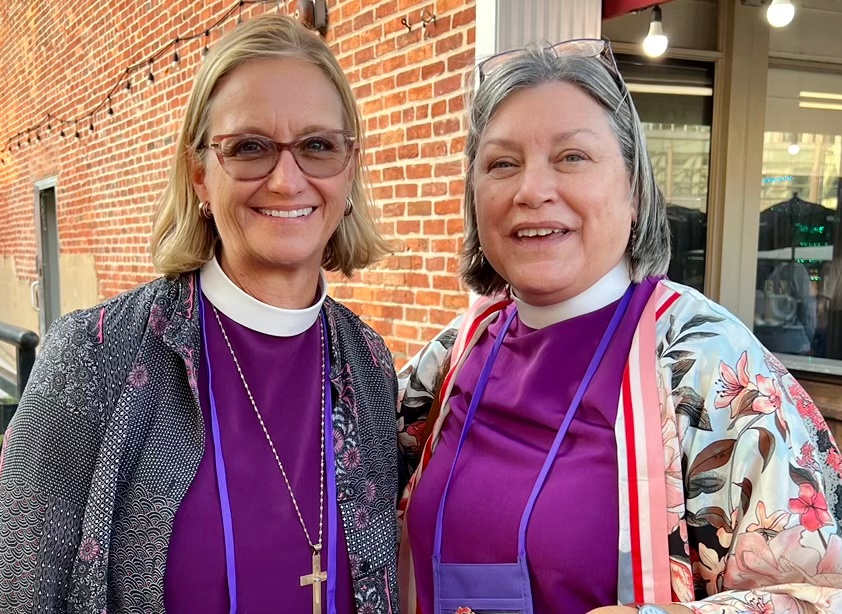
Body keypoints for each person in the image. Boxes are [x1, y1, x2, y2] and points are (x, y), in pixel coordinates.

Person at [396, 40, 842, 614]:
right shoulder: (460, 350)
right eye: (502, 163)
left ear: (634, 190)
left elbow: (824, 593)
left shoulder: (709, 362)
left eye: (571, 157)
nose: (531, 190)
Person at [0, 15, 401, 613]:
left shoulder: (368, 367)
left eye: (318, 146)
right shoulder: (93, 358)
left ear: (349, 172)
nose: (287, 179)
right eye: (249, 148)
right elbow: (25, 596)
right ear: (200, 179)